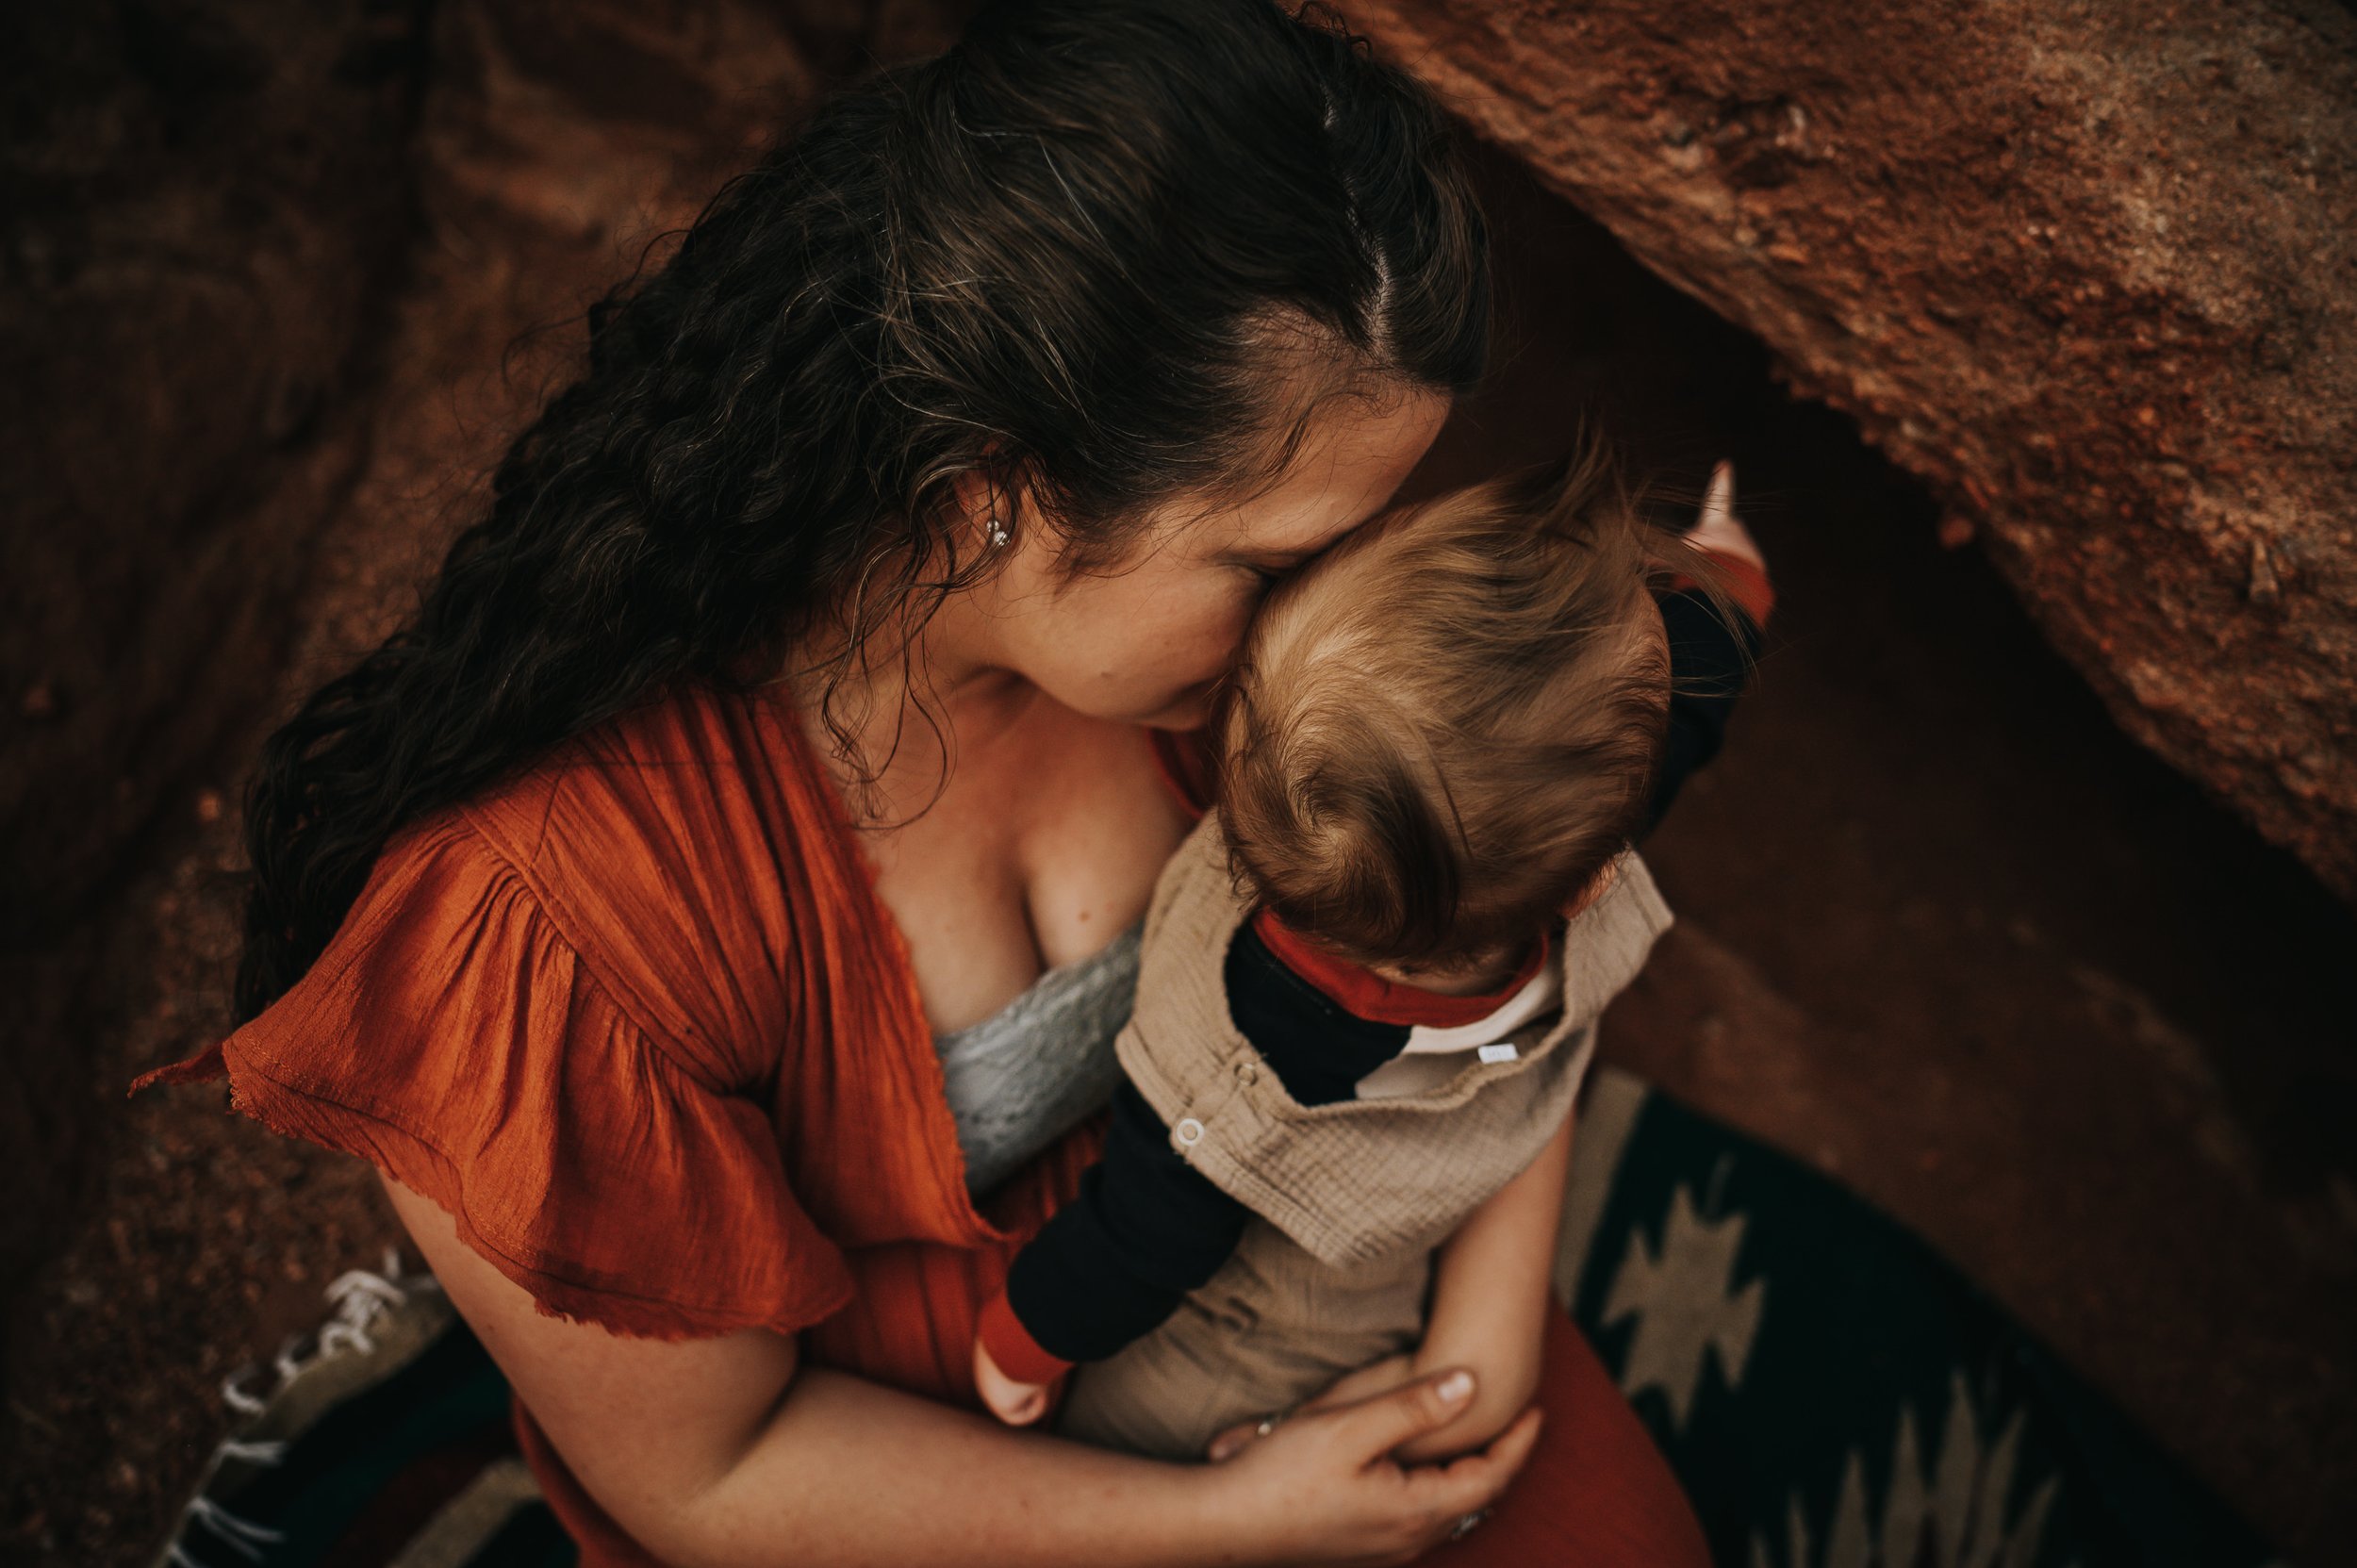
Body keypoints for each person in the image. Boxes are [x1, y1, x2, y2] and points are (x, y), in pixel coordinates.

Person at [129, 3, 1729, 1562]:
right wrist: (1233, 1523)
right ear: (995, 494)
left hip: (1337, 1278)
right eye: (1272, 560)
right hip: (935, 1479)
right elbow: (716, 1471)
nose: (1337, 613)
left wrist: (1484, 1334)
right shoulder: (547, 914)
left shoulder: (1285, 658)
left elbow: (1518, 894)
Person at [969, 457, 1772, 1465]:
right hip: (1309, 1327)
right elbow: (1680, 716)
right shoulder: (1570, 854)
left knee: (1156, 1448)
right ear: (1589, 883)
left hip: (1254, 1340)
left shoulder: (1258, 1020)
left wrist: (1019, 1346)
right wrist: (1728, 591)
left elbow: (1140, 1235)